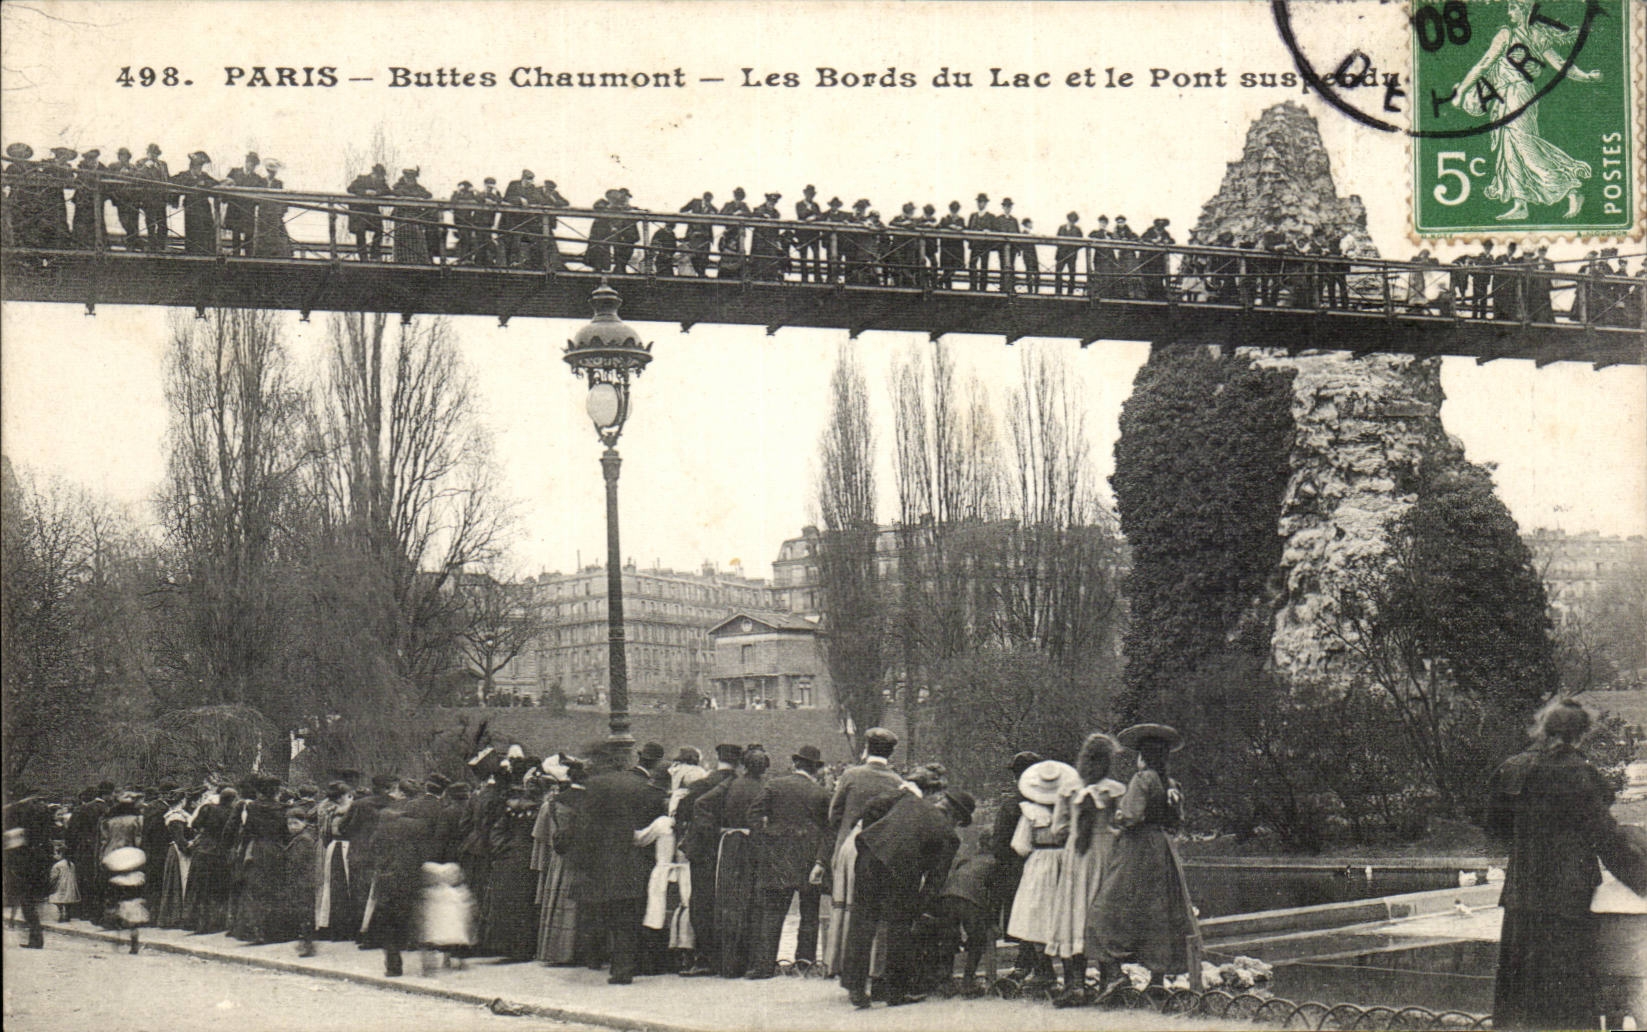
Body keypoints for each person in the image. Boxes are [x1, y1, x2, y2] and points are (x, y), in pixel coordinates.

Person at [1486, 698, 1631, 1031]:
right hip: (1566, 903)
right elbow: (1608, 840)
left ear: (1544, 728)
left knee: (1519, 999)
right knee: (1567, 1002)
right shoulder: (1581, 774)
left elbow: (1495, 827)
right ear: (1581, 734)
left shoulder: (1512, 767)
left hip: (1521, 900)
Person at [1451, 0, 1601, 222]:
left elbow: (1561, 64)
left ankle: (1571, 189)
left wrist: (1461, 91)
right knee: (1509, 150)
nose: (1509, 13)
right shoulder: (1517, 35)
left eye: (1512, 8)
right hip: (1506, 96)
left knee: (1525, 146)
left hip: (1519, 96)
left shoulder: (1524, 36)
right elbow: (1485, 64)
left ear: (1524, 10)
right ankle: (1520, 204)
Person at [840, 786, 974, 1008]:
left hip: (870, 856)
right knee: (899, 929)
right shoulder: (950, 837)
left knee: (862, 922)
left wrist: (871, 830)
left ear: (942, 801)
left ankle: (855, 986)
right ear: (956, 817)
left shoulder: (907, 798)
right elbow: (935, 881)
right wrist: (919, 908)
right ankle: (895, 991)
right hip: (901, 875)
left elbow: (872, 805)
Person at [1090, 723, 1200, 988]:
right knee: (1160, 908)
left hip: (1138, 848)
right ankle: (1157, 979)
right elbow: (1177, 820)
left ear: (1143, 756)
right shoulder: (1172, 784)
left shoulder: (1142, 779)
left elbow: (1130, 815)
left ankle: (1115, 972)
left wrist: (1115, 818)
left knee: (1108, 908)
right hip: (1163, 848)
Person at [569, 743, 667, 984]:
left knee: (599, 912)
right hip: (632, 857)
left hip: (601, 861)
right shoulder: (639, 785)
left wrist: (581, 861)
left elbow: (584, 827)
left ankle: (596, 959)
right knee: (627, 916)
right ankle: (623, 968)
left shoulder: (595, 785)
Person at [1047, 734, 1128, 1007]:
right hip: (1105, 856)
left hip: (1076, 858)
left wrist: (1074, 831)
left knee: (1072, 913)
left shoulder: (1068, 789)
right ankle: (1108, 981)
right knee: (1102, 911)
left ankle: (1075, 986)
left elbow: (1057, 831)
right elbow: (1123, 826)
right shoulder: (1116, 790)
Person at [818, 727, 906, 976]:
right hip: (881, 851)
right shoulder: (897, 782)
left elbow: (834, 815)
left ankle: (841, 965)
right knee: (874, 910)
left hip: (850, 847)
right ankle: (872, 969)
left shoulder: (851, 775)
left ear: (866, 748)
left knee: (846, 906)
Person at [747, 744, 830, 977]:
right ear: (815, 769)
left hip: (777, 858)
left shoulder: (774, 786)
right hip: (809, 859)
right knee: (809, 913)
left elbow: (753, 815)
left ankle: (764, 966)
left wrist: (765, 840)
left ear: (795, 764)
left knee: (773, 912)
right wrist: (821, 861)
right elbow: (829, 831)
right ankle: (805, 963)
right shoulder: (821, 793)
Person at [695, 745, 770, 978]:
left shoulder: (730, 784)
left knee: (727, 903)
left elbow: (701, 804)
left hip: (729, 844)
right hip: (753, 847)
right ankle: (748, 962)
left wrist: (715, 830)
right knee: (752, 902)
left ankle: (727, 963)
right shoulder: (766, 788)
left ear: (744, 765)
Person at [1006, 759, 1078, 984]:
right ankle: (1071, 976)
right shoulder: (1071, 811)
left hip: (1040, 864)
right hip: (1066, 862)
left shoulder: (1030, 812)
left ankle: (1044, 970)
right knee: (1065, 917)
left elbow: (1020, 845)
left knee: (1036, 915)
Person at [676, 743, 739, 975]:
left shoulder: (702, 785)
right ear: (738, 762)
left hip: (704, 851)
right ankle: (728, 957)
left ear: (716, 758)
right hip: (733, 850)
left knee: (701, 902)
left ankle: (703, 957)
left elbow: (681, 812)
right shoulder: (738, 784)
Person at [372, 780, 437, 977]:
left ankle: (393, 967)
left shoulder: (382, 827)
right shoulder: (417, 827)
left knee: (389, 925)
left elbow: (373, 848)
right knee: (416, 919)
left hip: (386, 879)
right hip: (410, 878)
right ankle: (427, 962)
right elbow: (426, 851)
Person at [535, 757, 587, 965]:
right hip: (583, 857)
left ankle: (555, 950)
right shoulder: (589, 799)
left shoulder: (555, 802)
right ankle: (579, 952)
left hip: (560, 856)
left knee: (558, 900)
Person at [4, 784, 56, 948]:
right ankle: (36, 935)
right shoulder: (42, 809)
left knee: (26, 899)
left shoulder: (15, 811)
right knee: (33, 898)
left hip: (23, 861)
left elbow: (13, 839)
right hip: (41, 859)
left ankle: (36, 937)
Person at [171, 151, 217, 254]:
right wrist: (192, 185)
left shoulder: (204, 176)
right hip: (192, 207)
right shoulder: (185, 175)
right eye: (198, 167)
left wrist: (204, 183)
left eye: (201, 167)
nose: (200, 170)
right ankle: (192, 252)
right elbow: (173, 181)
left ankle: (207, 252)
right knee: (193, 231)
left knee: (207, 230)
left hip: (204, 207)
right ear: (192, 167)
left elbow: (215, 183)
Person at [221, 151, 262, 257]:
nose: (251, 166)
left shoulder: (257, 178)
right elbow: (225, 187)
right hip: (235, 210)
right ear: (246, 162)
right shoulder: (234, 172)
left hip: (248, 211)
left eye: (254, 164)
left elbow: (259, 196)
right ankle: (236, 257)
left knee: (249, 236)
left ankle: (248, 259)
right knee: (236, 235)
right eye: (250, 163)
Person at [133, 145, 173, 253]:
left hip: (161, 198)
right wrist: (146, 167)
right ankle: (152, 246)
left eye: (155, 153)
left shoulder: (163, 165)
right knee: (151, 224)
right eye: (151, 153)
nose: (153, 155)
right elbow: (137, 177)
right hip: (149, 198)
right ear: (147, 153)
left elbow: (167, 179)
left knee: (163, 224)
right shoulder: (141, 163)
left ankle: (161, 246)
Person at [346, 163, 389, 261]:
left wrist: (378, 192)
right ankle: (363, 257)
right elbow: (350, 188)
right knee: (360, 233)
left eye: (381, 177)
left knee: (379, 229)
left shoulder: (381, 182)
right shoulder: (362, 179)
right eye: (378, 176)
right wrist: (365, 192)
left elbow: (388, 191)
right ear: (373, 173)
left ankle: (374, 253)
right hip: (359, 212)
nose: (380, 178)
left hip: (372, 213)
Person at [389, 168, 432, 264]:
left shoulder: (419, 188)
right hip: (402, 216)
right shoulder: (398, 187)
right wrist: (413, 197)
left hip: (415, 217)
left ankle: (419, 260)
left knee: (417, 240)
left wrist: (412, 197)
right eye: (408, 177)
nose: (410, 179)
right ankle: (400, 260)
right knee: (402, 240)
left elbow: (428, 195)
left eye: (412, 177)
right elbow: (395, 193)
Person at [251, 160, 292, 258]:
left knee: (276, 234)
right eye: (270, 171)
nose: (272, 173)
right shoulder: (261, 181)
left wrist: (280, 212)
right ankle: (260, 256)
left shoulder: (278, 183)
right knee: (262, 234)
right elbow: (255, 197)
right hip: (263, 212)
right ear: (267, 171)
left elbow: (283, 200)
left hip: (274, 213)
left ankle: (276, 255)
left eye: (273, 172)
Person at [69, 148, 105, 248]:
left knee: (96, 221)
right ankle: (79, 243)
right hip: (82, 199)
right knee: (80, 220)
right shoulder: (81, 168)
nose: (91, 160)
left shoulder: (101, 168)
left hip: (96, 200)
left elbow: (106, 183)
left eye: (93, 158)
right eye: (89, 158)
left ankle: (97, 244)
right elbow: (76, 182)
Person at [679, 191, 715, 276]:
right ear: (703, 199)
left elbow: (718, 214)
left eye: (709, 202)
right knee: (693, 255)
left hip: (705, 238)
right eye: (706, 201)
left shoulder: (712, 208)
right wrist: (689, 217)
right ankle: (697, 274)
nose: (707, 203)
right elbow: (682, 210)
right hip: (694, 235)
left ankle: (701, 274)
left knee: (704, 257)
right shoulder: (695, 202)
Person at [794, 185, 823, 282]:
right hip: (803, 234)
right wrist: (811, 213)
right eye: (808, 194)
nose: (810, 196)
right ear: (805, 194)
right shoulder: (799, 204)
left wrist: (814, 217)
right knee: (803, 256)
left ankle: (817, 277)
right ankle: (804, 278)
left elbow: (820, 216)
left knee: (816, 255)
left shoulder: (816, 205)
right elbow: (801, 215)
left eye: (812, 194)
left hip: (814, 234)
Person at [966, 193, 995, 290]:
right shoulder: (973, 216)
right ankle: (973, 286)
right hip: (975, 245)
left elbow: (995, 230)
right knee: (972, 264)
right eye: (979, 202)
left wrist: (989, 231)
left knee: (984, 266)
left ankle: (983, 288)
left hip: (985, 245)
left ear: (986, 203)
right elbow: (968, 229)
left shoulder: (990, 216)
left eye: (982, 202)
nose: (980, 204)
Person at [1054, 212, 1083, 295]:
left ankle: (1070, 293)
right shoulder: (1061, 228)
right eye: (1070, 220)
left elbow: (1082, 243)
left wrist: (1073, 249)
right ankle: (1058, 292)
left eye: (1073, 221)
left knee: (1072, 274)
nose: (1072, 222)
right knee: (1058, 273)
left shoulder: (1077, 230)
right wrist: (1061, 247)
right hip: (1061, 254)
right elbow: (1057, 239)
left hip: (1071, 255)